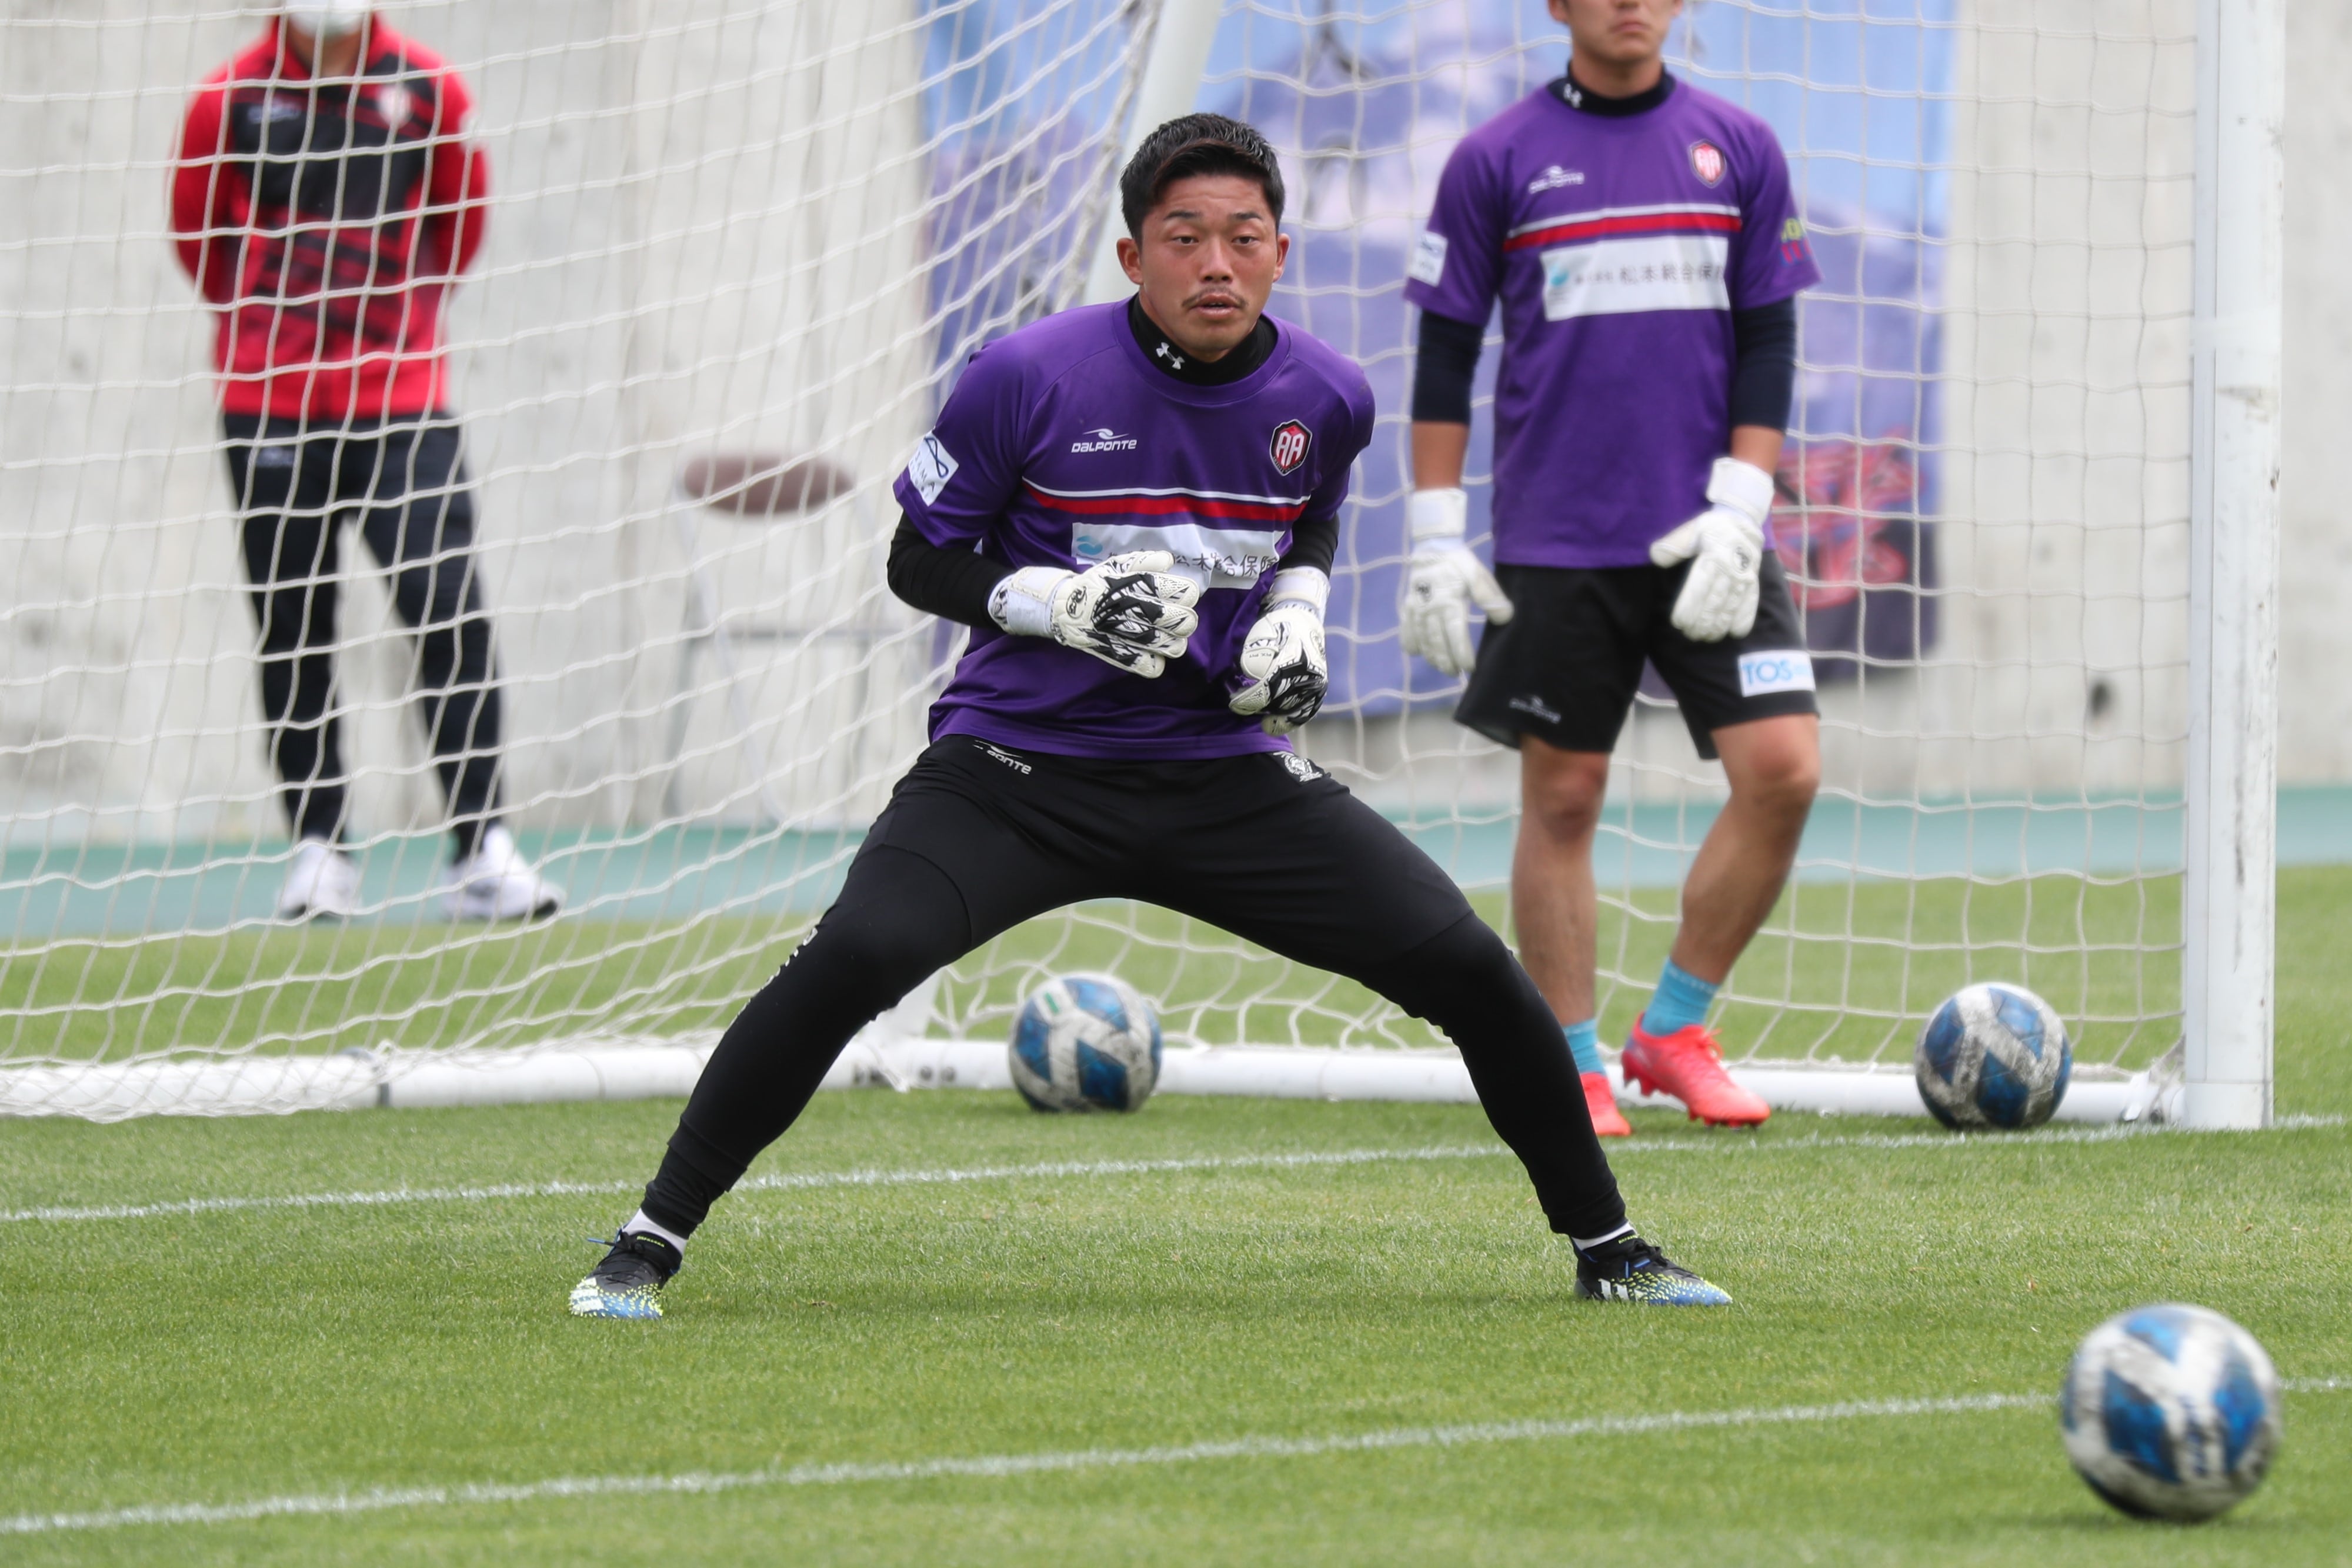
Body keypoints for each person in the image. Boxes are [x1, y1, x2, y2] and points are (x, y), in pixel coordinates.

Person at [569, 114, 1729, 1320]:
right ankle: (645, 1243)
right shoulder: (1026, 375)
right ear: (1133, 257)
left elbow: (1310, 516)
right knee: (851, 956)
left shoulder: (1329, 395)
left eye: (1242, 236)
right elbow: (916, 560)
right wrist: (1050, 602)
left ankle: (1612, 1249)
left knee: (1474, 972)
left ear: (1280, 252)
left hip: (1223, 772)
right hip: (1016, 771)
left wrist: (1298, 609)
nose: (1215, 264)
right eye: (1184, 237)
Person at [1400, 0, 1823, 1136]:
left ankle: (1674, 1031)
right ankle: (1573, 1064)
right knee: (1566, 796)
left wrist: (1744, 502)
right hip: (1559, 538)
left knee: (1784, 769)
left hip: (1713, 538)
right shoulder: (1495, 158)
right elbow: (1445, 351)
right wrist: (1436, 530)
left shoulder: (1739, 148)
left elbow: (1770, 335)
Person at [171, 1, 561, 922]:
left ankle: (482, 846)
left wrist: (393, 331)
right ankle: (320, 849)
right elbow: (200, 243)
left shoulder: (430, 89)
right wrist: (273, 334)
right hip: (268, 406)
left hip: (404, 404)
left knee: (446, 606)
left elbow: (459, 227)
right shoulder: (228, 99)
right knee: (292, 624)